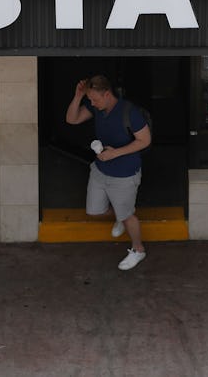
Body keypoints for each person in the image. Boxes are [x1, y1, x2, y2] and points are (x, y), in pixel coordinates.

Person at [66, 75, 151, 270]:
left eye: (94, 99)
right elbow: (72, 119)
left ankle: (138, 249)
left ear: (106, 94)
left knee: (129, 216)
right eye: (90, 100)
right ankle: (121, 216)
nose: (92, 104)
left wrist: (115, 153)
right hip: (100, 171)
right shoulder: (97, 109)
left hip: (125, 175)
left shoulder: (129, 112)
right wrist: (78, 96)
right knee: (94, 211)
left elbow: (145, 141)